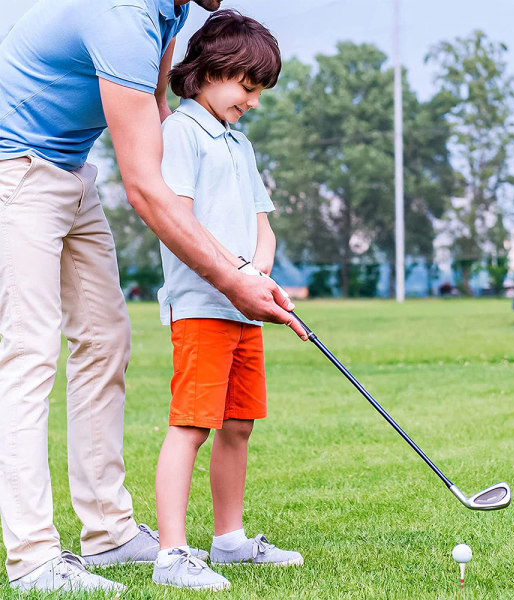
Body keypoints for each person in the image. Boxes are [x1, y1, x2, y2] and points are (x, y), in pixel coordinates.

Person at [0, 0, 307, 593]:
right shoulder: (121, 13)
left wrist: (227, 252)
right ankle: (34, 556)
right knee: (30, 354)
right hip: (15, 167)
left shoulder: (167, 12)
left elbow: (158, 129)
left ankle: (109, 534)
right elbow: (144, 185)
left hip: (69, 170)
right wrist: (229, 278)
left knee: (106, 341)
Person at [151, 10, 304, 591]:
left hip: (244, 309)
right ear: (212, 71)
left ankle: (229, 540)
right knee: (192, 426)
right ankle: (171, 553)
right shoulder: (179, 134)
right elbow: (180, 220)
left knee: (238, 424)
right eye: (248, 86)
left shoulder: (239, 144)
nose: (254, 101)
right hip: (199, 308)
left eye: (260, 91)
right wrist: (238, 271)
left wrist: (259, 267)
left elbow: (264, 223)